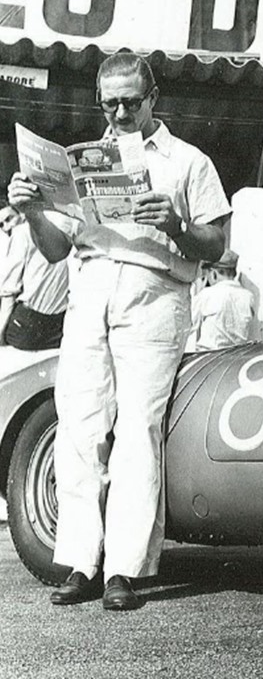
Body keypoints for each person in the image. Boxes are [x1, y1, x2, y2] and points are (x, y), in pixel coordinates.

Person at [8, 52, 231, 611]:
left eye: (132, 102)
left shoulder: (188, 161)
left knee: (137, 430)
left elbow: (217, 245)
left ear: (154, 97)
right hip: (89, 289)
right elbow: (56, 248)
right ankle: (80, 560)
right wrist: (33, 211)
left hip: (153, 293)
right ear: (99, 103)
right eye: (111, 104)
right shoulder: (79, 162)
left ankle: (125, 569)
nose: (122, 113)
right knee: (78, 427)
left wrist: (176, 225)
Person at [0, 205, 69, 350]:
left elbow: (9, 293)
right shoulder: (61, 228)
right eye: (1, 225)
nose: (6, 227)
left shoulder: (21, 232)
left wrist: (0, 334)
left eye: (9, 219)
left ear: (22, 214)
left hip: (28, 325)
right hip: (58, 324)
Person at [191, 247, 255, 350]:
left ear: (213, 274)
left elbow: (187, 325)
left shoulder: (207, 294)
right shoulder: (248, 296)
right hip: (237, 357)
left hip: (210, 356)